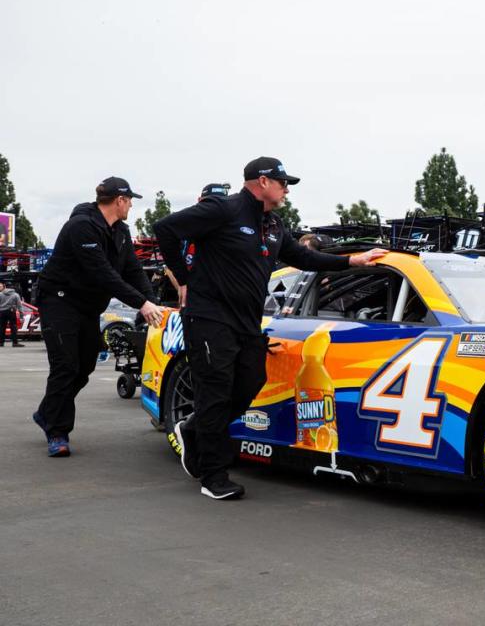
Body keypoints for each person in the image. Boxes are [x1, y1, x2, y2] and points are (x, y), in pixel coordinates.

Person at [155, 157, 387, 500]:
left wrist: (352, 260)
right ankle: (213, 475)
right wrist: (184, 279)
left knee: (251, 381)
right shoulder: (224, 208)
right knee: (215, 392)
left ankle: (192, 428)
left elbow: (305, 258)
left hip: (247, 322)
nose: (287, 189)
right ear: (262, 182)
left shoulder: (274, 224)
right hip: (209, 318)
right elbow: (165, 228)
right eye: (282, 182)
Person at [32, 177, 164, 457]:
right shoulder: (81, 227)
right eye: (129, 201)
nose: (130, 206)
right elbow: (103, 274)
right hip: (59, 302)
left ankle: (47, 412)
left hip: (87, 307)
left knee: (84, 367)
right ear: (119, 200)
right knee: (65, 366)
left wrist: (154, 302)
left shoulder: (121, 232)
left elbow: (132, 270)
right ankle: (57, 432)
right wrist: (141, 304)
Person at [0, 280, 25, 347]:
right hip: (11, 312)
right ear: (12, 287)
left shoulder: (0, 294)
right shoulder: (15, 295)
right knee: (13, 327)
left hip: (2, 312)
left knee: (2, 327)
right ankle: (15, 343)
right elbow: (20, 306)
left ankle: (1, 343)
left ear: (5, 286)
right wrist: (21, 316)